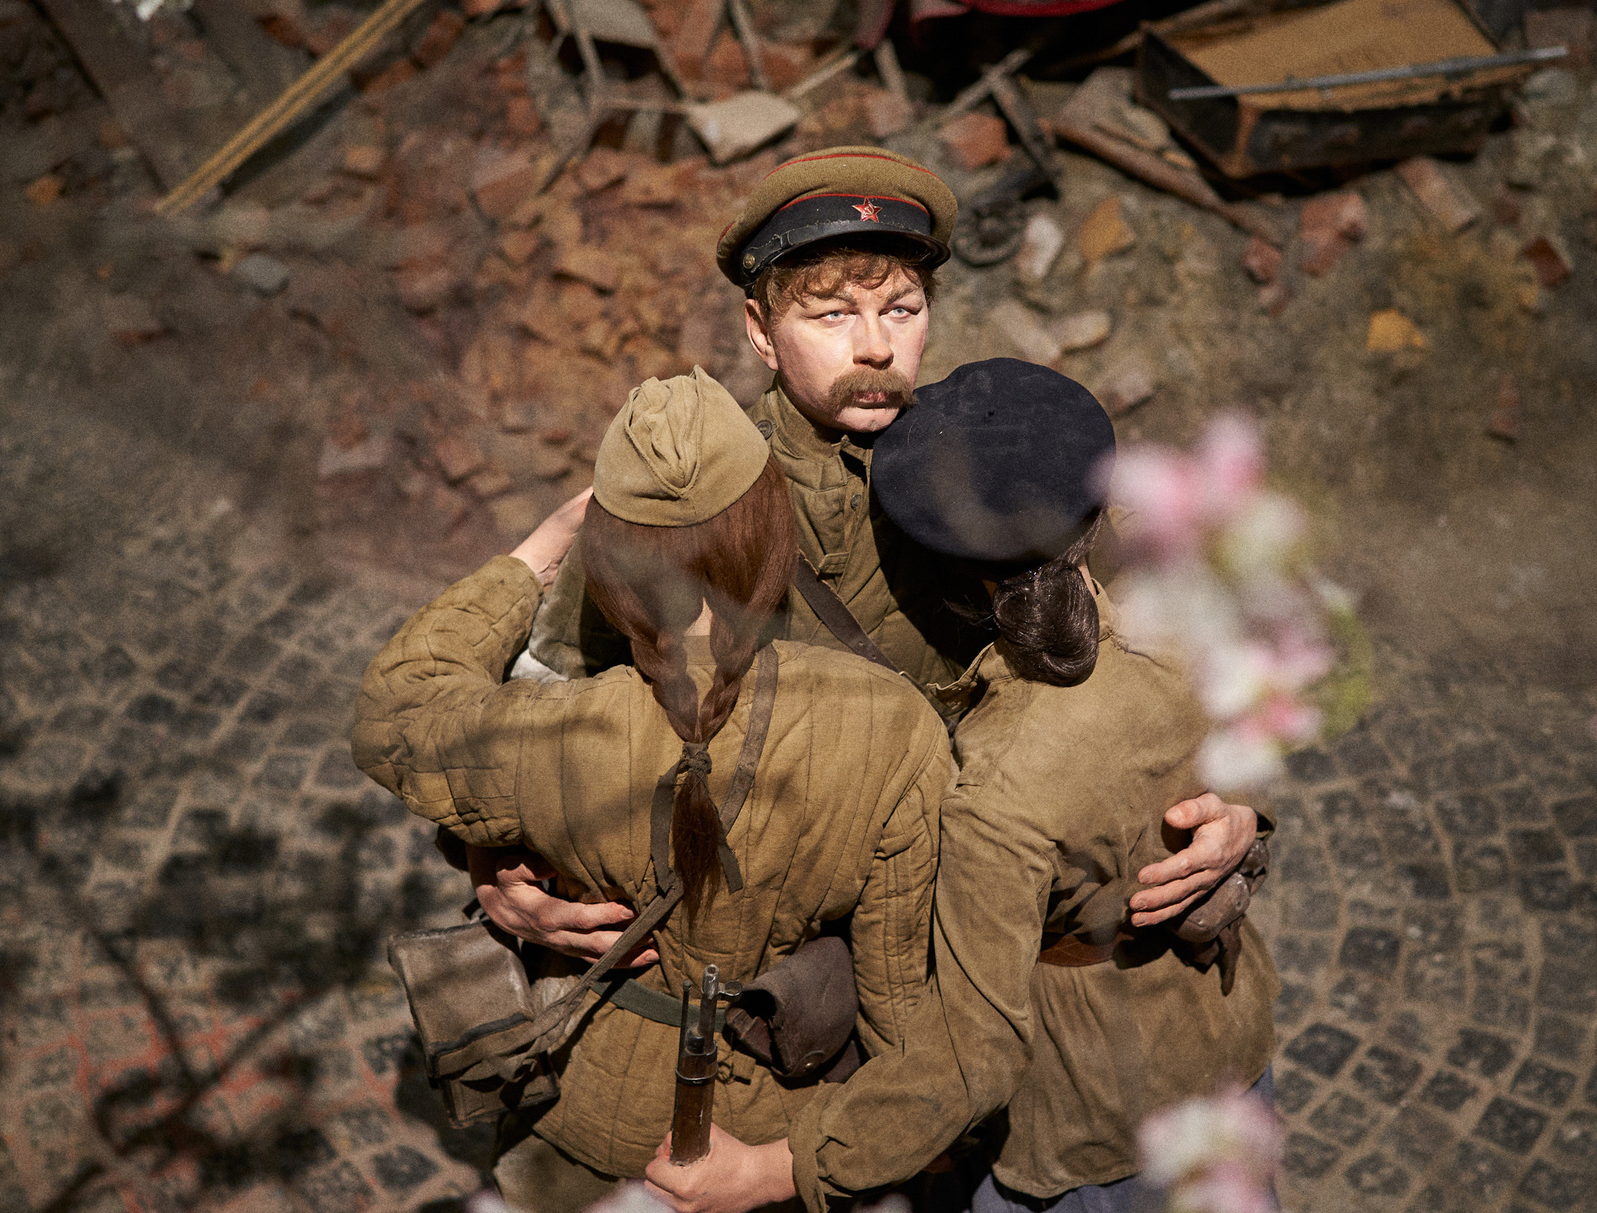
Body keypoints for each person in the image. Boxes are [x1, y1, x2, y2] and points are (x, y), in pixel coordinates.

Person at [642, 361, 1294, 1213]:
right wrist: (1242, 821)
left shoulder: (995, 785)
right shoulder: (1178, 623)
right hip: (1219, 1041)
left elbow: (977, 1060)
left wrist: (773, 1166)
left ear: (952, 585)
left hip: (1086, 1119)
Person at [479, 145, 1260, 972]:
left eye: (901, 308)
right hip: (777, 945)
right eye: (832, 316)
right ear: (761, 332)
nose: (878, 347)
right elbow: (536, 691)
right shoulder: (685, 490)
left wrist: (1239, 809)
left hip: (987, 913)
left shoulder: (1000, 455)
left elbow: (1165, 665)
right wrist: (489, 857)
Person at [349, 370, 958, 1213]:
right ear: (771, 546)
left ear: (612, 575)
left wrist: (537, 548)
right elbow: (904, 1015)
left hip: (589, 1103)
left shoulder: (561, 731)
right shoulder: (892, 726)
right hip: (778, 1113)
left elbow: (396, 710)